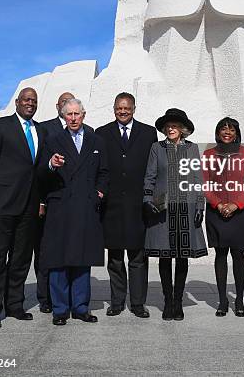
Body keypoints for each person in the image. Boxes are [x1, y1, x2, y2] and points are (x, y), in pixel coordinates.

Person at [0, 87, 46, 328]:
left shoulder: (40, 130)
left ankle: (15, 304)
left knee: (20, 259)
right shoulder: (0, 126)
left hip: (29, 207)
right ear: (17, 102)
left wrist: (41, 201)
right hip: (0, 206)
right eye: (26, 99)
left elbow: (38, 170)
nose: (30, 103)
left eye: (34, 101)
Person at [39, 98, 108, 326]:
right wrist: (51, 164)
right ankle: (60, 309)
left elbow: (104, 172)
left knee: (82, 258)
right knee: (58, 259)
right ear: (63, 116)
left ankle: (80, 307)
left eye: (77, 114)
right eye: (69, 114)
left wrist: (98, 191)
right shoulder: (53, 140)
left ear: (84, 115)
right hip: (61, 206)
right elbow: (40, 171)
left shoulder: (95, 140)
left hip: (86, 207)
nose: (73, 118)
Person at [95, 92, 157, 318]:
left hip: (137, 206)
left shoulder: (149, 133)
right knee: (115, 257)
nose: (123, 112)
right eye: (119, 108)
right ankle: (117, 302)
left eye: (127, 108)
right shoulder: (101, 133)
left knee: (138, 257)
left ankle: (138, 304)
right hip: (111, 206)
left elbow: (153, 168)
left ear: (134, 109)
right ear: (114, 108)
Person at [143, 108, 207, 320]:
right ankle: (167, 300)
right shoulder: (156, 148)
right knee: (164, 256)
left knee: (181, 257)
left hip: (186, 209)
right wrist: (147, 199)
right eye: (168, 125)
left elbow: (198, 179)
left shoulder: (192, 148)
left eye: (175, 125)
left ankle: (178, 302)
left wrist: (200, 205)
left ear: (182, 129)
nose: (171, 128)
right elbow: (150, 176)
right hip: (163, 211)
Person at [202, 117, 244, 317]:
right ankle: (223, 300)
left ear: (236, 133)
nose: (227, 132)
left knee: (238, 255)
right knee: (220, 255)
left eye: (231, 129)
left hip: (239, 211)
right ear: (218, 133)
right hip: (216, 211)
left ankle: (239, 300)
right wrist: (218, 204)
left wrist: (235, 204)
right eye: (223, 129)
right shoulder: (209, 154)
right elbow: (204, 183)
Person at [34, 91, 75, 314]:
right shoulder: (44, 128)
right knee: (45, 251)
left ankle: (65, 295)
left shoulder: (82, 131)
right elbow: (38, 168)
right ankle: (45, 297)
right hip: (49, 200)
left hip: (71, 203)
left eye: (72, 103)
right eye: (64, 103)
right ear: (57, 106)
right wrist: (40, 200)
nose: (68, 107)